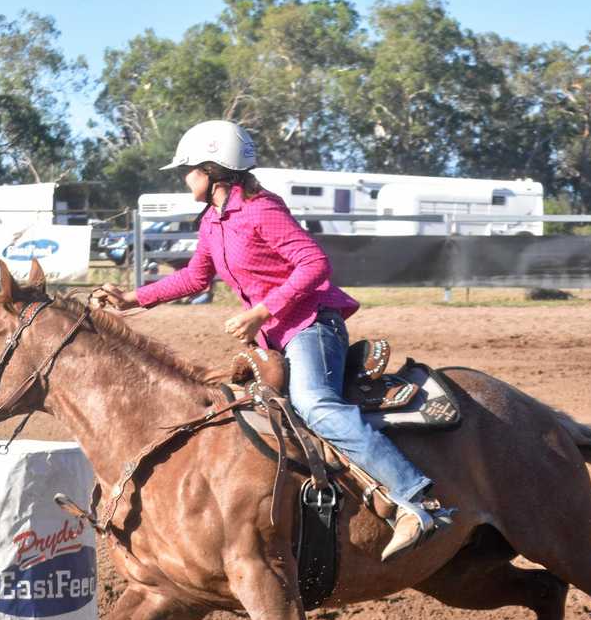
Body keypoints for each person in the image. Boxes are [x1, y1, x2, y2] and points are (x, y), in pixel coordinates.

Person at [91, 120, 450, 562]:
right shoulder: (213, 222)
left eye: (189, 169)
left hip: (311, 327)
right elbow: (194, 276)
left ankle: (414, 497)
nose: (185, 178)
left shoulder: (261, 210)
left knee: (314, 402)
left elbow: (314, 264)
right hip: (275, 338)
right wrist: (132, 298)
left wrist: (262, 311)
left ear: (213, 169)